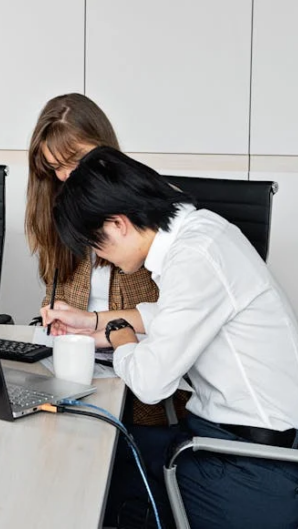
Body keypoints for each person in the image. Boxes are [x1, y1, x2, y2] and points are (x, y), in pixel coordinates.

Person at [42, 147, 298, 529]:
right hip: (230, 447)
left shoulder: (196, 257)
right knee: (92, 444)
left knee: (88, 483)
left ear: (119, 224)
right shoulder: (201, 234)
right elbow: (170, 318)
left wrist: (118, 335)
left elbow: (151, 383)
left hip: (254, 477)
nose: (98, 256)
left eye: (95, 244)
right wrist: (91, 320)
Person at [26, 93, 182, 427]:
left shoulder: (145, 211)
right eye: (55, 168)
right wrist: (62, 319)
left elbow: (167, 317)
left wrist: (110, 330)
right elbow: (55, 291)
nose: (67, 176)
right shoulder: (55, 206)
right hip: (78, 363)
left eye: (75, 162)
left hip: (137, 371)